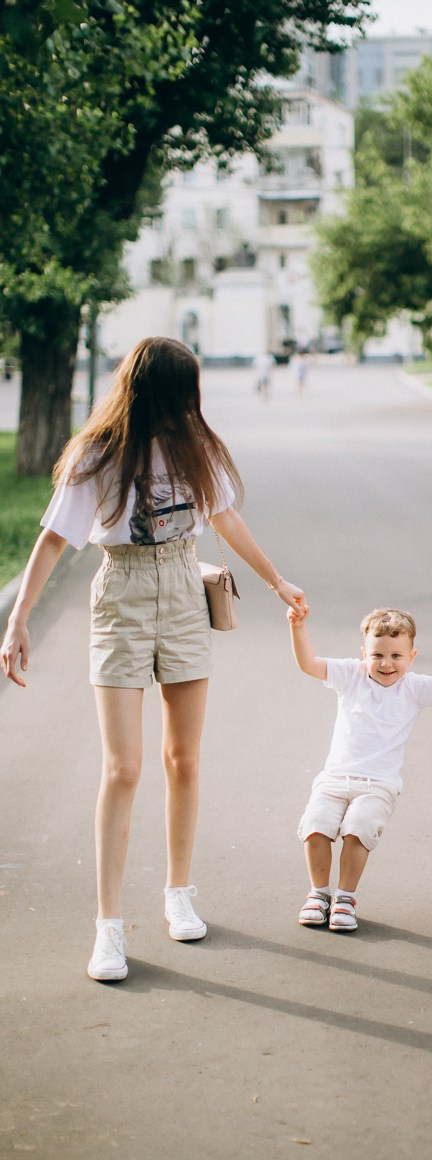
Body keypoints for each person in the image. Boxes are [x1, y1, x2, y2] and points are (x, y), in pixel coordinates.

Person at [1, 337, 306, 983]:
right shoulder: (98, 453)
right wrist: (18, 619)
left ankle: (178, 890)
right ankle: (108, 929)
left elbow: (225, 520)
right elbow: (55, 539)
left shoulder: (199, 448)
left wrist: (278, 581)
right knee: (124, 767)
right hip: (122, 593)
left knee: (183, 758)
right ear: (158, 391)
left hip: (183, 590)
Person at [288, 606, 432, 932]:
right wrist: (298, 627)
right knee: (316, 825)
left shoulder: (415, 688)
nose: (386, 663)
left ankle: (345, 897)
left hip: (378, 784)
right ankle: (319, 894)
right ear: (363, 653)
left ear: (412, 656)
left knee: (358, 828)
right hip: (334, 776)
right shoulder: (351, 675)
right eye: (377, 655)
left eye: (396, 655)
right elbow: (309, 664)